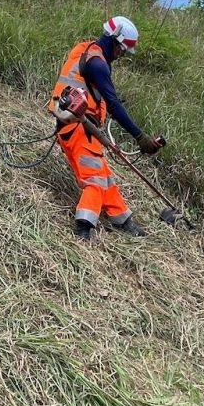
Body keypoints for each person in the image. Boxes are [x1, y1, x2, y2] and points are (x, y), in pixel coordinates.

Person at [49, 16, 162, 240]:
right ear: (114, 40)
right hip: (80, 130)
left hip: (73, 125)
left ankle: (122, 219)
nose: (120, 56)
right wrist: (140, 137)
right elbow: (113, 103)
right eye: (121, 50)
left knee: (105, 176)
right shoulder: (97, 64)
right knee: (95, 180)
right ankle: (84, 228)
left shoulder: (87, 50)